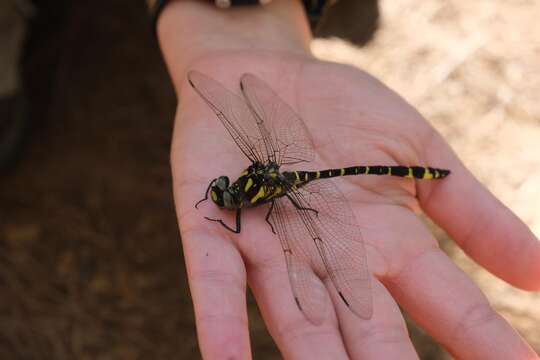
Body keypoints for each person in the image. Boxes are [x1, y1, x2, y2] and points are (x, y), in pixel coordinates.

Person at [152, 1, 540, 358]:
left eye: (224, 192)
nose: (224, 194)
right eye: (223, 192)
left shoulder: (256, 200)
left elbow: (262, 215)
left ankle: (420, 177)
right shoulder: (249, 181)